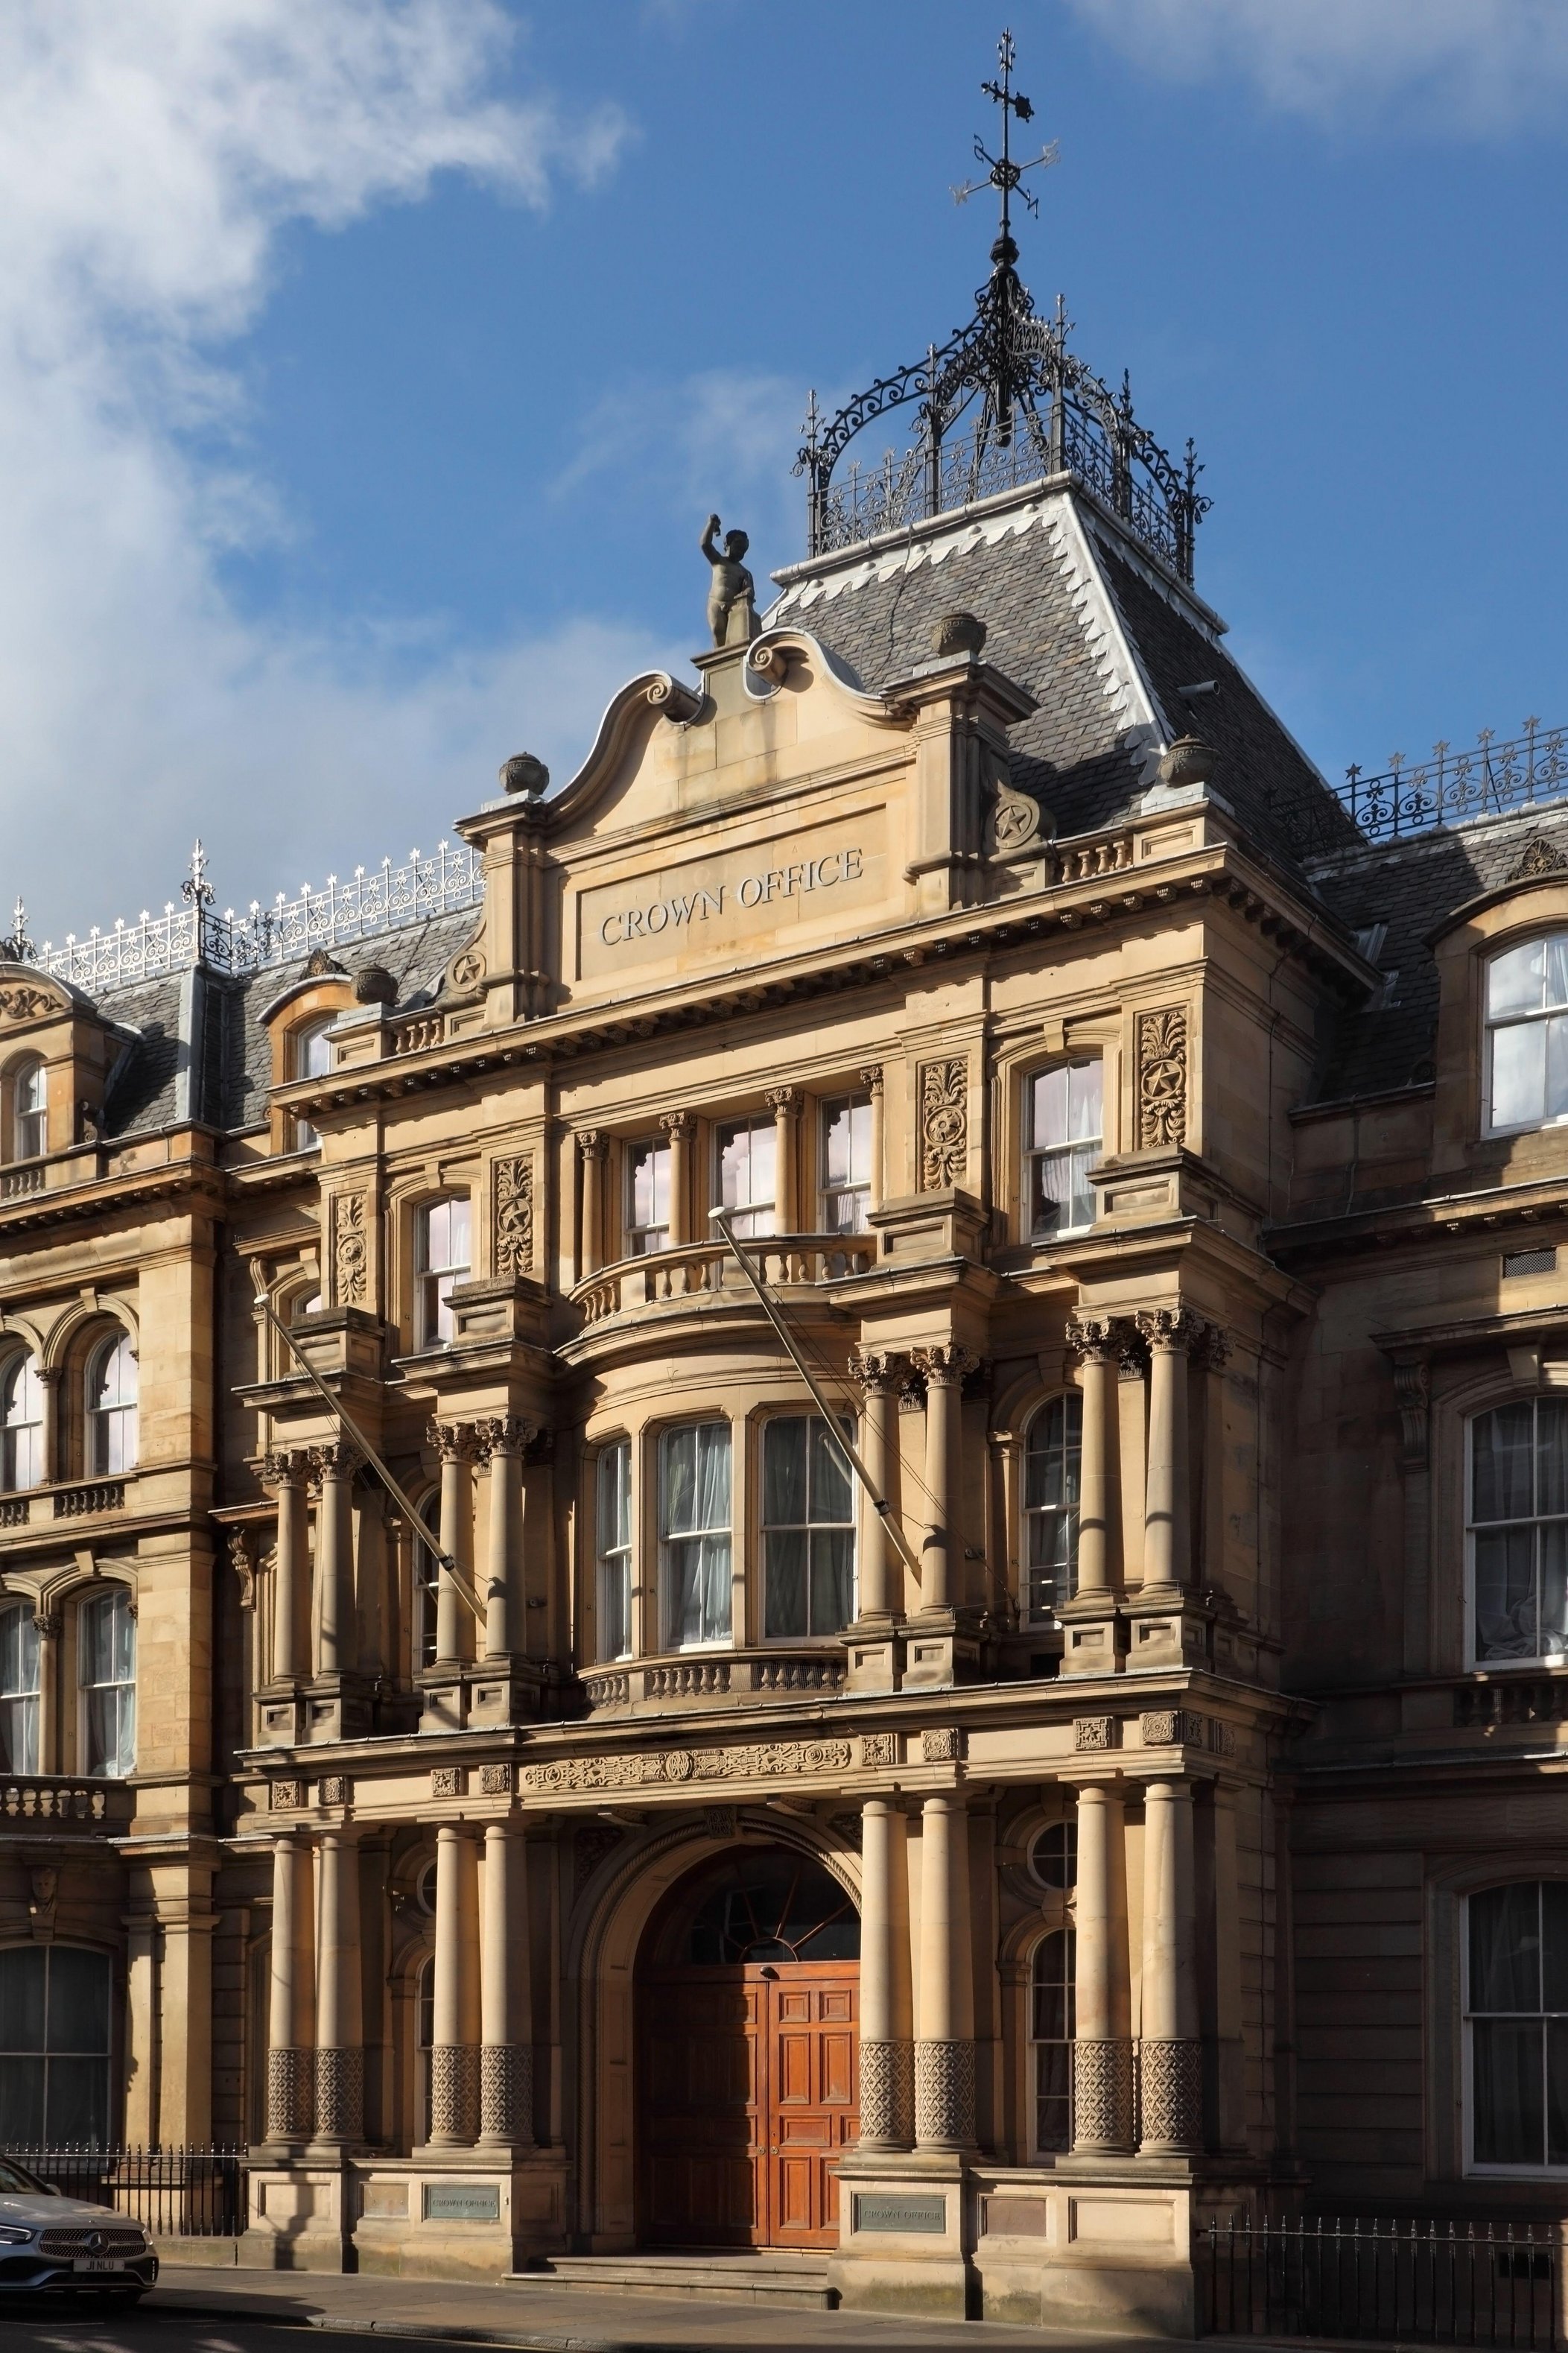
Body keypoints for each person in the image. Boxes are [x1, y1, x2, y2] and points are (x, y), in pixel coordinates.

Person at [699, 513, 758, 647]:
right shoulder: (718, 561)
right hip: (716, 602)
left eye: (744, 549)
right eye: (738, 545)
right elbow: (705, 544)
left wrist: (747, 592)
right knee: (718, 631)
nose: (741, 551)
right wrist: (711, 524)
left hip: (734, 606)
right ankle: (720, 660)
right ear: (728, 544)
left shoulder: (744, 572)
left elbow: (750, 590)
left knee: (735, 637)